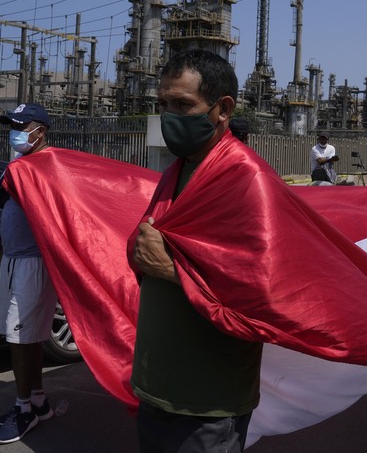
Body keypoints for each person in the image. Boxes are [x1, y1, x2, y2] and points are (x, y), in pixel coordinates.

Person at [129, 50, 263, 453]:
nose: (169, 116)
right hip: (156, 387)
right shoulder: (177, 171)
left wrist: (172, 269)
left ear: (222, 109)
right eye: (163, 104)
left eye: (183, 105)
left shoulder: (245, 180)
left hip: (207, 402)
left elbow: (261, 290)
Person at [0, 103, 58, 445]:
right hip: (14, 258)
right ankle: (38, 401)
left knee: (20, 338)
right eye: (11, 126)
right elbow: (2, 200)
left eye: (20, 126)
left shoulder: (48, 166)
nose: (13, 133)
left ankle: (23, 410)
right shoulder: (21, 162)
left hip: (33, 261)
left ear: (39, 131)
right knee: (28, 336)